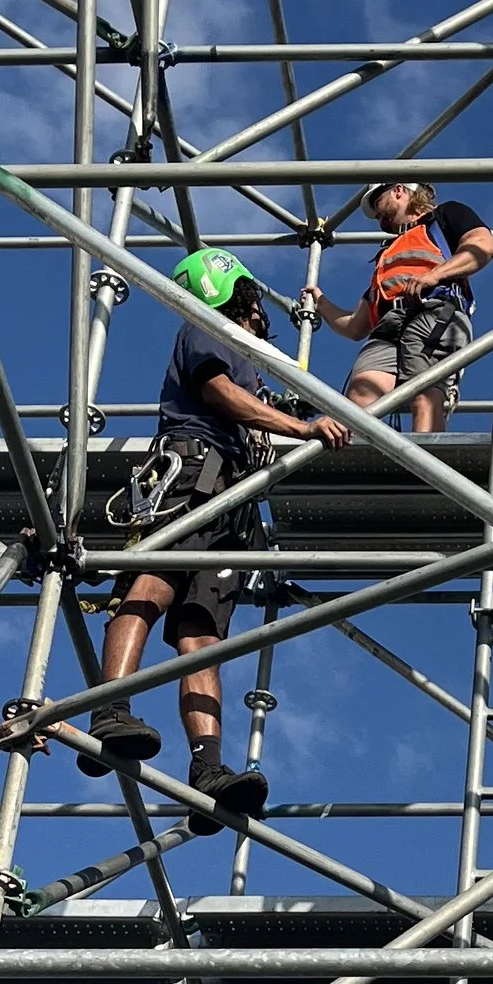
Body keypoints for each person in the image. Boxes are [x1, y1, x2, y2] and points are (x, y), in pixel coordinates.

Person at [79, 248, 348, 810]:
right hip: (194, 469)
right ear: (236, 293)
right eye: (251, 294)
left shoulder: (250, 359)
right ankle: (109, 709)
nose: (259, 306)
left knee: (202, 637)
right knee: (152, 581)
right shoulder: (211, 331)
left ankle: (207, 767)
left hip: (232, 497)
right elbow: (220, 395)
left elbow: (253, 406)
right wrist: (303, 426)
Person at [312, 179, 493, 438]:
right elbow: (355, 326)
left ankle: (424, 469)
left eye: (378, 202)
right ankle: (353, 465)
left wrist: (435, 275)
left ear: (399, 191)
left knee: (423, 395)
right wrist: (320, 302)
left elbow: (483, 246)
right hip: (390, 323)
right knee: (360, 395)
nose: (377, 215)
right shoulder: (390, 254)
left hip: (435, 308)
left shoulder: (444, 216)